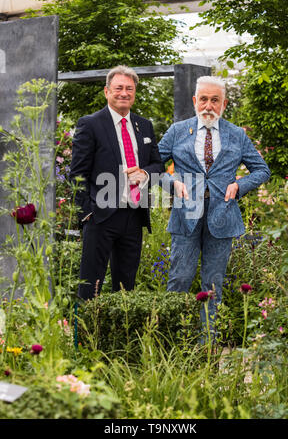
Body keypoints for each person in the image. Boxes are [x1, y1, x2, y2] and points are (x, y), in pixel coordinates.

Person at [158, 76, 271, 336]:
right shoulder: (177, 131)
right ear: (195, 101)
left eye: (215, 100)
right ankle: (170, 341)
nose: (209, 106)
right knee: (180, 279)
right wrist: (173, 182)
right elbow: (155, 165)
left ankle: (206, 348)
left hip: (223, 215)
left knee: (213, 285)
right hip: (186, 214)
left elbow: (262, 170)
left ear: (224, 104)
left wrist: (239, 186)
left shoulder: (236, 135)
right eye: (204, 99)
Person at [70, 65, 164, 300]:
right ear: (107, 91)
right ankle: (85, 335)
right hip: (101, 216)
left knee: (126, 288)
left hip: (133, 215)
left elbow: (158, 165)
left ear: (134, 92)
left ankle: (118, 335)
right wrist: (87, 213)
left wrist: (145, 173)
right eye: (119, 88)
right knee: (90, 285)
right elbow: (77, 175)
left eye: (129, 89)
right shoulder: (90, 124)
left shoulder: (145, 125)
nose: (124, 93)